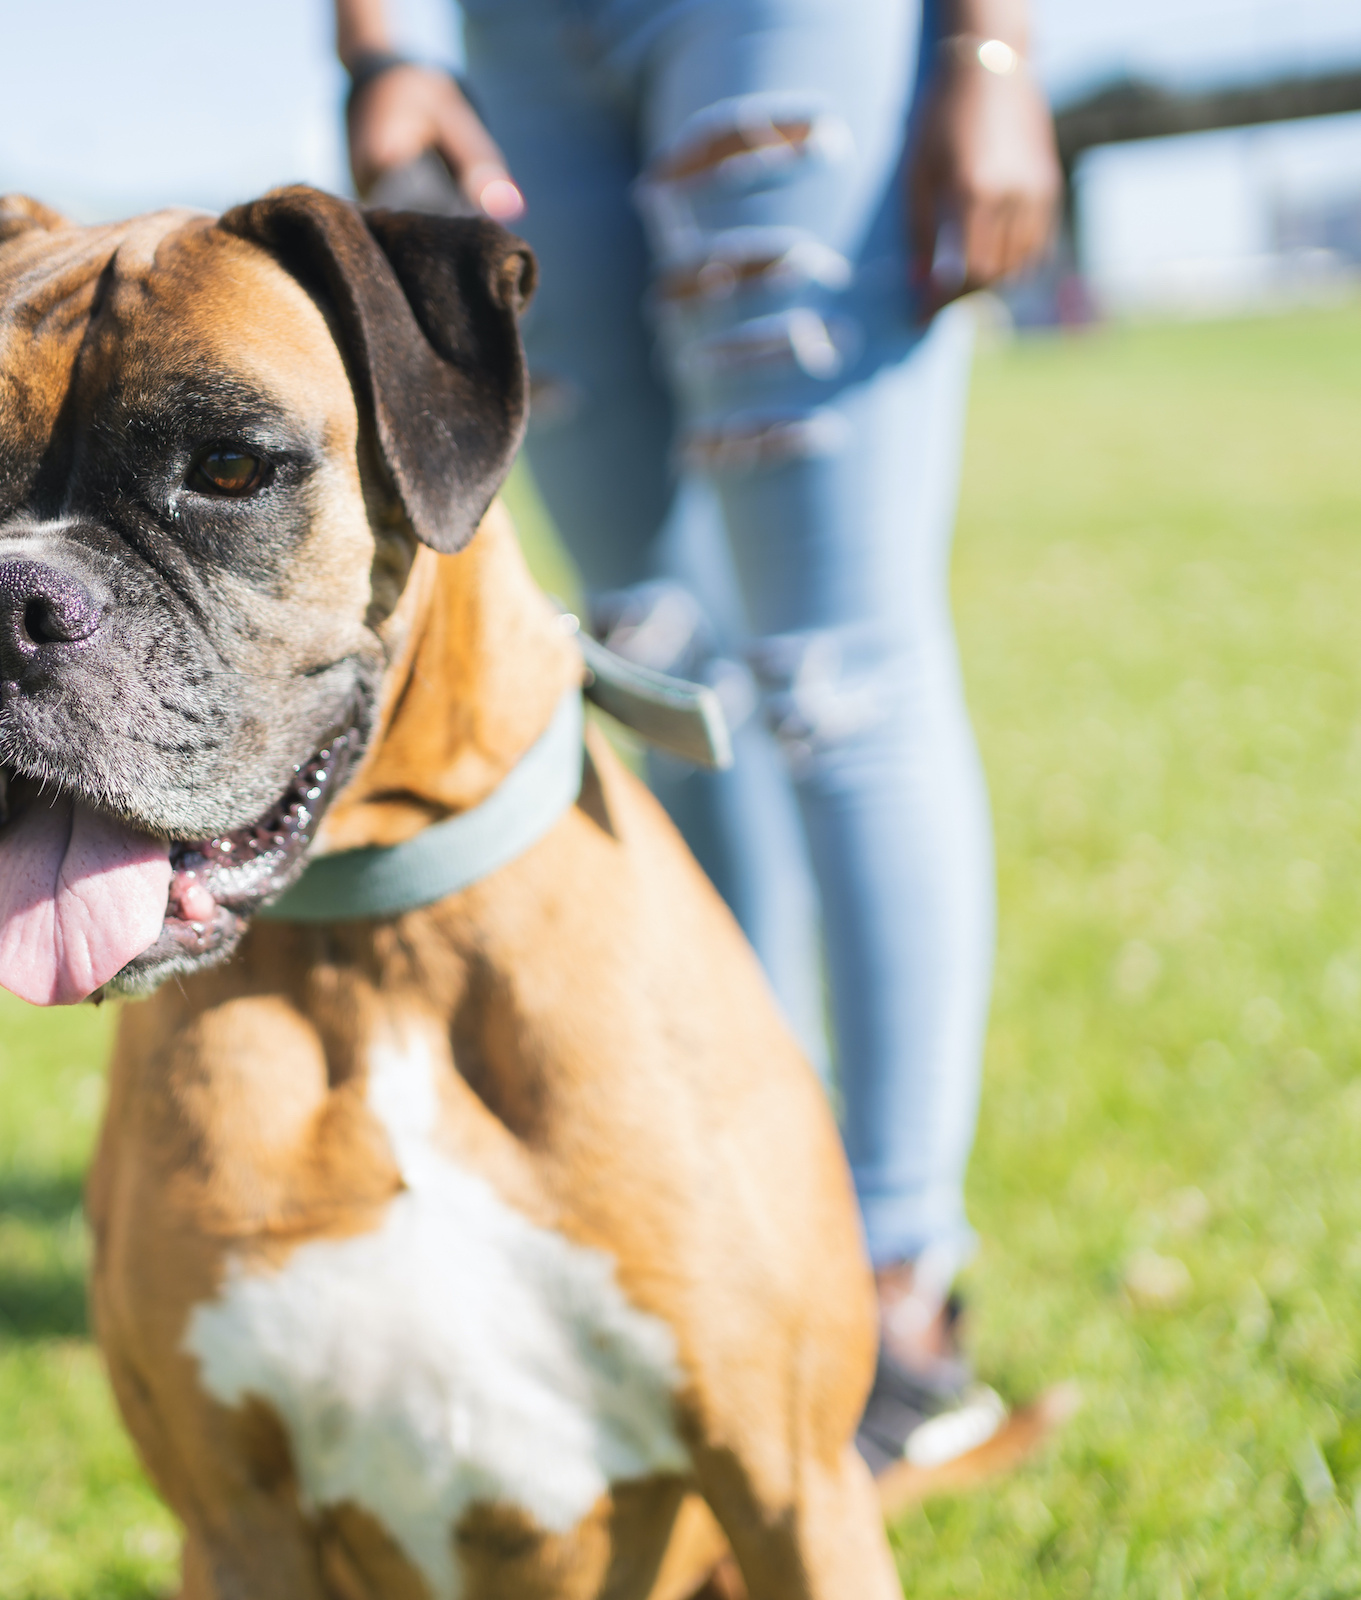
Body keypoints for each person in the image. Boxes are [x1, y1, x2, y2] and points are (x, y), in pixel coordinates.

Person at [334, 0, 1061, 1472]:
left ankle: (896, 1299)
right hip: (524, 48)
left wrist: (991, 51)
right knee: (654, 648)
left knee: (835, 673)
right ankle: (752, 1218)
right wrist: (382, 49)